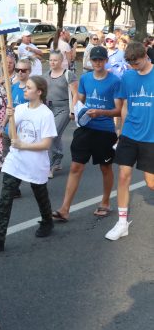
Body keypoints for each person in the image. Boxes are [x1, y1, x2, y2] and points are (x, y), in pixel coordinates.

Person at [0, 76, 57, 253]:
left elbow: (46, 144)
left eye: (29, 88)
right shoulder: (20, 108)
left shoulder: (46, 114)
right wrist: (5, 122)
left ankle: (47, 221)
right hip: (15, 161)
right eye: (25, 87)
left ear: (39, 92)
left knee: (40, 195)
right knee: (5, 199)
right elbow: (7, 127)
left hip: (35, 163)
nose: (25, 90)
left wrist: (24, 145)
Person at [52, 46, 121, 222]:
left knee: (105, 167)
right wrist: (75, 111)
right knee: (76, 167)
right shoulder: (85, 78)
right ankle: (65, 209)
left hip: (105, 131)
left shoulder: (114, 81)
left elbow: (119, 110)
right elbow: (80, 99)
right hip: (85, 128)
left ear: (106, 61)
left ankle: (105, 202)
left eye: (101, 60)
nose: (97, 63)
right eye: (94, 59)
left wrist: (101, 113)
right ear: (90, 61)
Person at [105, 42, 154, 241]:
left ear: (146, 56)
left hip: (151, 137)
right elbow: (124, 104)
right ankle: (122, 223)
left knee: (151, 183)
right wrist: (121, 129)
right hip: (130, 134)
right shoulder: (127, 76)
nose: (134, 66)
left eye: (137, 62)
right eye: (131, 63)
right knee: (124, 175)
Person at [44, 51, 78, 178]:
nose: (52, 62)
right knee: (55, 136)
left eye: (55, 60)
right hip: (49, 108)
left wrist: (73, 110)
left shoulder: (68, 75)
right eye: (51, 60)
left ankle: (50, 166)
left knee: (52, 135)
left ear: (61, 61)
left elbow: (76, 94)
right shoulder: (45, 75)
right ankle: (57, 160)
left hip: (63, 109)